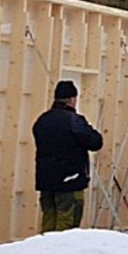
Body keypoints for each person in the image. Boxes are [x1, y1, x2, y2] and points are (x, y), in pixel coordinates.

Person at [33, 79, 103, 233]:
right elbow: (95, 142)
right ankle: (59, 249)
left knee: (48, 222)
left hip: (46, 181)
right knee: (67, 226)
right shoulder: (74, 121)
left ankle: (45, 247)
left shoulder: (42, 120)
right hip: (69, 181)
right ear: (72, 99)